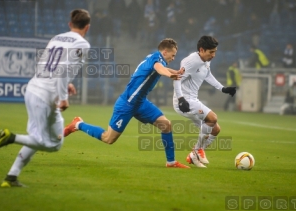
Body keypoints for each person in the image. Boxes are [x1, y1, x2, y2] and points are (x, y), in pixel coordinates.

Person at [0, 9, 91, 187]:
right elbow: (63, 70)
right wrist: (63, 97)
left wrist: (64, 85)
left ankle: (11, 177)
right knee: (54, 144)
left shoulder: (57, 38)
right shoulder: (82, 44)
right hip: (47, 97)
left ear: (70, 24)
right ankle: (11, 138)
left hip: (33, 88)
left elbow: (50, 66)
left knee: (36, 138)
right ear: (87, 27)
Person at [64, 38, 189, 168]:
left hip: (141, 103)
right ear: (165, 52)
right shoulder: (156, 61)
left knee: (166, 124)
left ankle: (171, 162)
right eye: (173, 55)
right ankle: (78, 124)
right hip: (127, 103)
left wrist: (176, 72)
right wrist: (170, 76)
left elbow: (162, 68)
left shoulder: (157, 58)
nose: (174, 58)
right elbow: (159, 69)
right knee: (108, 138)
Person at [173, 35, 236, 168]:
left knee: (215, 129)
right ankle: (197, 151)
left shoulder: (206, 60)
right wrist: (181, 99)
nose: (213, 55)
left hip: (192, 99)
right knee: (213, 118)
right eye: (211, 52)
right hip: (184, 100)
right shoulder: (190, 61)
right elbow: (177, 79)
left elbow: (207, 74)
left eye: (215, 52)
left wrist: (222, 88)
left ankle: (193, 155)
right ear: (201, 50)